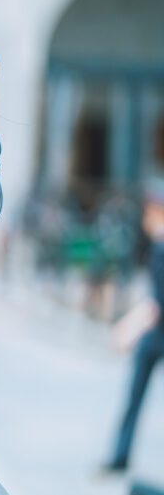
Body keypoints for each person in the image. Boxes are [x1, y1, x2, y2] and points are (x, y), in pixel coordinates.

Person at [105, 189, 164, 472]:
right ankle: (119, 457)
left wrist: (131, 326)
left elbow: (159, 303)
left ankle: (119, 458)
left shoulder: (160, 247)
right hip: (155, 334)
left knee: (134, 398)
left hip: (156, 337)